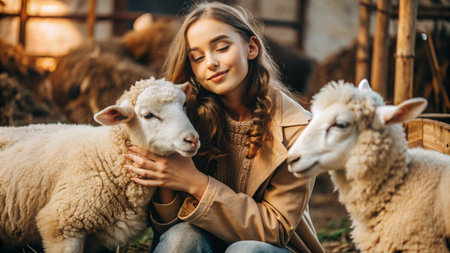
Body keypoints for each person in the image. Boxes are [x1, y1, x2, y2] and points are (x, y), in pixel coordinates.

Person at [124, 2, 324, 252]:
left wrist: (196, 183)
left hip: (269, 248)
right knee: (182, 238)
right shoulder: (185, 118)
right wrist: (166, 176)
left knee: (245, 250)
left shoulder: (296, 128)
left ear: (251, 47)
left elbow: (275, 229)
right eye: (197, 57)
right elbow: (168, 229)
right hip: (205, 240)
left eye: (222, 48)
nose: (211, 62)